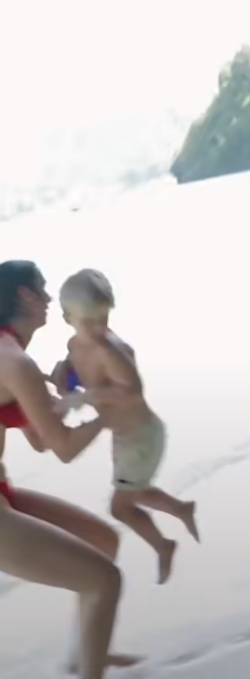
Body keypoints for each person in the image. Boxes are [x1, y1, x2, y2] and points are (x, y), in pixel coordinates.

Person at [0, 259, 139, 679]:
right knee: (104, 580)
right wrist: (106, 410)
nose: (48, 300)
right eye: (43, 291)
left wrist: (64, 397)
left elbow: (42, 439)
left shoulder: (15, 357)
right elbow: (61, 449)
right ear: (25, 295)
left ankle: (86, 654)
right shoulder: (13, 361)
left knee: (102, 542)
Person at [56, 269, 200, 585]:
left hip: (141, 437)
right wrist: (62, 374)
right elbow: (76, 367)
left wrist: (89, 396)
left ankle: (164, 546)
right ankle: (182, 509)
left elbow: (133, 391)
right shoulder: (75, 345)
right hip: (126, 438)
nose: (97, 329)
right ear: (67, 317)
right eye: (88, 322)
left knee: (121, 507)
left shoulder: (110, 349)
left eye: (103, 320)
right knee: (137, 491)